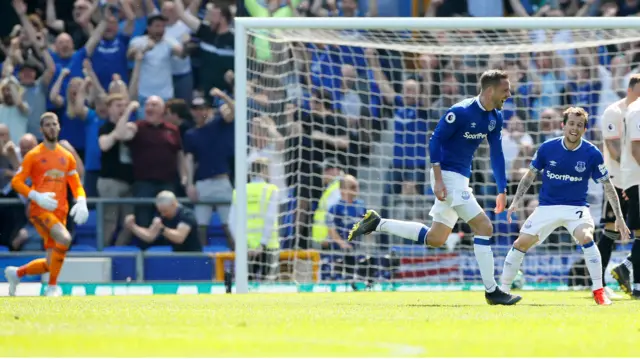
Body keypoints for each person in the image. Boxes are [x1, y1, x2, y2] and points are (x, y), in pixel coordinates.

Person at [348, 70, 520, 305]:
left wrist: (502, 189)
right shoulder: (460, 112)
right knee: (484, 226)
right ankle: (492, 291)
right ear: (490, 90)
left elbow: (497, 153)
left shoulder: (495, 118)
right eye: (505, 90)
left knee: (436, 238)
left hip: (461, 177)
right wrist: (438, 179)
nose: (509, 94)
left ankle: (378, 223)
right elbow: (435, 141)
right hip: (447, 176)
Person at [499, 107, 630, 306]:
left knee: (586, 237)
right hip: (547, 208)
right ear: (563, 125)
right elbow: (529, 175)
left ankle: (599, 291)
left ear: (584, 129)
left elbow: (608, 186)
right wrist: (516, 201)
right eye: (571, 124)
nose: (574, 129)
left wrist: (619, 217)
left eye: (579, 125)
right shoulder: (547, 148)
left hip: (575, 209)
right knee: (519, 244)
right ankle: (504, 290)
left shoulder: (591, 153)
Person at [4, 112, 89, 297]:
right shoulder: (33, 155)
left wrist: (81, 200)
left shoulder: (67, 156)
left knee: (50, 263)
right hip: (40, 210)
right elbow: (17, 182)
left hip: (60, 212)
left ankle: (16, 273)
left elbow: (76, 184)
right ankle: (52, 287)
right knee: (65, 239)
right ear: (41, 130)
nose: (52, 127)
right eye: (47, 125)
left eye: (54, 124)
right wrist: (35, 196)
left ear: (59, 127)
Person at [597, 75, 640, 297]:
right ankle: (598, 282)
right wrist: (626, 176)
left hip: (633, 180)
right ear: (630, 89)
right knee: (611, 230)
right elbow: (612, 146)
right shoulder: (615, 111)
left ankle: (627, 267)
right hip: (617, 179)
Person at [124, 191, 202, 252]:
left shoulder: (186, 214)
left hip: (193, 256)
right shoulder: (161, 215)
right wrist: (133, 226)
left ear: (174, 204)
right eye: (160, 211)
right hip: (177, 255)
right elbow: (150, 236)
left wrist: (162, 229)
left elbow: (179, 238)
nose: (163, 214)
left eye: (165, 211)